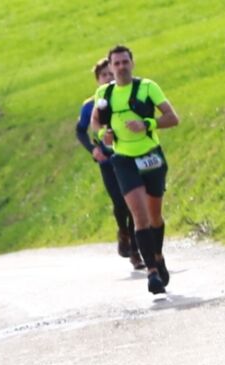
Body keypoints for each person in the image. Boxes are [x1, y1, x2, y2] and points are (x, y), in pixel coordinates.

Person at [90, 44, 180, 294]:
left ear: (132, 63)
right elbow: (94, 121)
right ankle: (151, 273)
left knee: (154, 217)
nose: (120, 67)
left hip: (151, 156)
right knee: (139, 216)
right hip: (123, 160)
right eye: (116, 63)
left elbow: (173, 118)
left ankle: (158, 255)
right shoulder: (104, 93)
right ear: (110, 66)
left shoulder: (148, 87)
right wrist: (102, 134)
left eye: (124, 62)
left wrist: (147, 123)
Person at [76, 58, 143, 271]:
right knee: (119, 203)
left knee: (134, 203)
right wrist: (93, 149)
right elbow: (80, 130)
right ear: (97, 80)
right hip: (107, 161)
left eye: (110, 74)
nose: (108, 78)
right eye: (103, 75)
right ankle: (123, 231)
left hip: (127, 156)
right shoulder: (89, 106)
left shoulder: (124, 99)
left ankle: (135, 250)